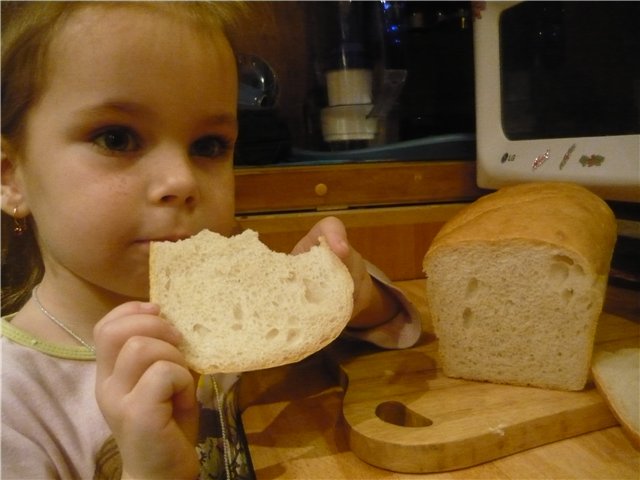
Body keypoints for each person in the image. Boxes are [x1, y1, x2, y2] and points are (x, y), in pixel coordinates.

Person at [0, 2, 421, 479]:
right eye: (117, 139)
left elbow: (399, 333)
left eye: (209, 146)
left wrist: (358, 298)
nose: (181, 179)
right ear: (11, 177)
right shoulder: (14, 405)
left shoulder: (242, 313)